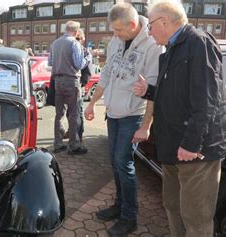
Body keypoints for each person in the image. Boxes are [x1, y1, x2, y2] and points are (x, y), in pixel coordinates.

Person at [133, 1, 226, 236]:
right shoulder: (171, 49)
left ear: (164, 22)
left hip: (195, 151)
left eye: (150, 25)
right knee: (173, 206)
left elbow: (208, 98)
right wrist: (149, 91)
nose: (149, 31)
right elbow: (177, 93)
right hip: (173, 148)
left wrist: (192, 144)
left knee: (196, 216)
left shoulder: (198, 42)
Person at [84, 3, 162, 236]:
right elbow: (106, 74)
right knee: (114, 161)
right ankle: (119, 206)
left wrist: (146, 125)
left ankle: (130, 217)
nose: (114, 35)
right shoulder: (116, 41)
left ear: (132, 24)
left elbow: (153, 89)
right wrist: (91, 103)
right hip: (114, 113)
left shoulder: (152, 46)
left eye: (118, 30)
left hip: (133, 115)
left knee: (123, 163)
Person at [48, 20, 92, 155]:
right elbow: (79, 64)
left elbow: (50, 62)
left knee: (59, 114)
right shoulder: (74, 43)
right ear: (76, 31)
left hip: (57, 81)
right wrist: (89, 57)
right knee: (73, 114)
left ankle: (58, 144)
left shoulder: (55, 43)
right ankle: (73, 146)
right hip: (71, 81)